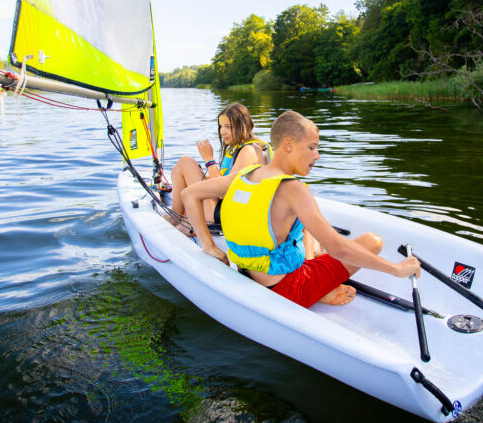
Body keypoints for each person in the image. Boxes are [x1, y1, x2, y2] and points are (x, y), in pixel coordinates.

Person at [181, 110, 420, 307]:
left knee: (305, 233)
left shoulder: (245, 175)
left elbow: (189, 194)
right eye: (312, 147)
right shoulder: (293, 189)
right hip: (289, 289)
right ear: (288, 145)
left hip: (248, 272)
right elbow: (339, 248)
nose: (317, 155)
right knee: (373, 241)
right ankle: (320, 292)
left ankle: (318, 274)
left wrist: (209, 246)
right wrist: (396, 269)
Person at [168, 102, 270, 227]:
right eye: (221, 126)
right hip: (222, 209)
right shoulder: (240, 148)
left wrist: (209, 160)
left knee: (186, 163)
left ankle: (175, 217)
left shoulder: (249, 151)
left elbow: (224, 193)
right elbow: (226, 180)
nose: (222, 131)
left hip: (226, 214)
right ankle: (178, 215)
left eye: (228, 126)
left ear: (243, 126)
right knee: (177, 169)